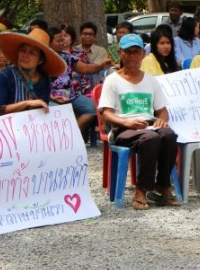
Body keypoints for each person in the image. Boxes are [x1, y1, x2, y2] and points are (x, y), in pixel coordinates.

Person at [98, 33, 180, 210]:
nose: (132, 56)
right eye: (128, 52)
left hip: (148, 125)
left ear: (143, 54)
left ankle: (163, 185)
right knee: (150, 138)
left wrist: (161, 120)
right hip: (123, 128)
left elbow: (162, 110)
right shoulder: (112, 80)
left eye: (136, 52)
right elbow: (106, 114)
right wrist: (127, 123)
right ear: (120, 53)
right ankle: (142, 190)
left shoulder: (151, 80)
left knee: (169, 134)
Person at [0, 28, 67, 116]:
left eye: (32, 53)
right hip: (9, 127)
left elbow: (43, 105)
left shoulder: (44, 78)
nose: (25, 55)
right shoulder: (5, 76)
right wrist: (27, 103)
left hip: (35, 126)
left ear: (40, 60)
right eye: (23, 50)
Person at [48, 27, 111, 133]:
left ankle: (72, 133)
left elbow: (86, 68)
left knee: (92, 108)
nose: (62, 43)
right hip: (51, 98)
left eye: (62, 40)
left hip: (71, 95)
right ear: (49, 42)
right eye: (58, 41)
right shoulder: (42, 60)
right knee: (56, 113)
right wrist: (52, 97)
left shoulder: (67, 57)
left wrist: (101, 65)